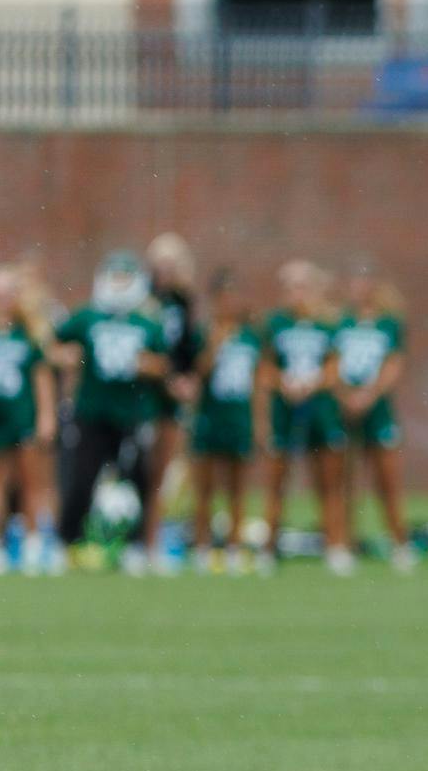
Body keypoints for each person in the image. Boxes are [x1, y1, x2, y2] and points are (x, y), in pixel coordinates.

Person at [52, 251, 168, 574]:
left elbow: (163, 364)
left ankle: (134, 545)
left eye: (124, 278)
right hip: (92, 410)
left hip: (131, 413)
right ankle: (68, 542)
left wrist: (149, 366)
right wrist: (68, 357)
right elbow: (54, 344)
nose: (118, 285)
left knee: (136, 480)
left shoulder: (147, 322)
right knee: (82, 477)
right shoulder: (88, 317)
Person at [260, 260, 351, 574]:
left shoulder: (329, 323)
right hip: (285, 407)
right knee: (276, 479)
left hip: (321, 408)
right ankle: (269, 547)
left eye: (301, 286)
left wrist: (314, 381)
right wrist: (283, 381)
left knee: (328, 480)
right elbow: (264, 367)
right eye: (289, 287)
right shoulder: (274, 323)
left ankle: (335, 544)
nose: (295, 293)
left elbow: (336, 367)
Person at [0, 265, 58, 574]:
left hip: (22, 416)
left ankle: (33, 546)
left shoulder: (28, 333)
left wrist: (46, 416)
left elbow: (41, 376)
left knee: (31, 482)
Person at [334, 270, 415, 571]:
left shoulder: (389, 323)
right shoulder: (340, 322)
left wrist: (369, 394)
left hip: (377, 408)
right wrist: (346, 395)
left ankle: (399, 543)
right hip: (345, 408)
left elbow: (394, 363)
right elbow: (331, 363)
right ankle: (345, 543)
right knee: (345, 479)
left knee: (388, 478)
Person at [189, 269, 263, 574]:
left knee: (237, 487)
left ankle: (234, 546)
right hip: (210, 416)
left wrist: (260, 422)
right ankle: (203, 547)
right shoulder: (205, 333)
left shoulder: (251, 335)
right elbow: (198, 373)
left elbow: (259, 381)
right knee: (205, 488)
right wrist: (216, 344)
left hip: (238, 416)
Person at [143, 233, 204, 572]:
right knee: (149, 471)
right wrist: (166, 379)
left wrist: (188, 379)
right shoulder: (144, 300)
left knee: (169, 472)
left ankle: (161, 539)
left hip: (174, 395)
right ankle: (145, 540)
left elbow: (187, 347)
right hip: (147, 395)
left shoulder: (183, 302)